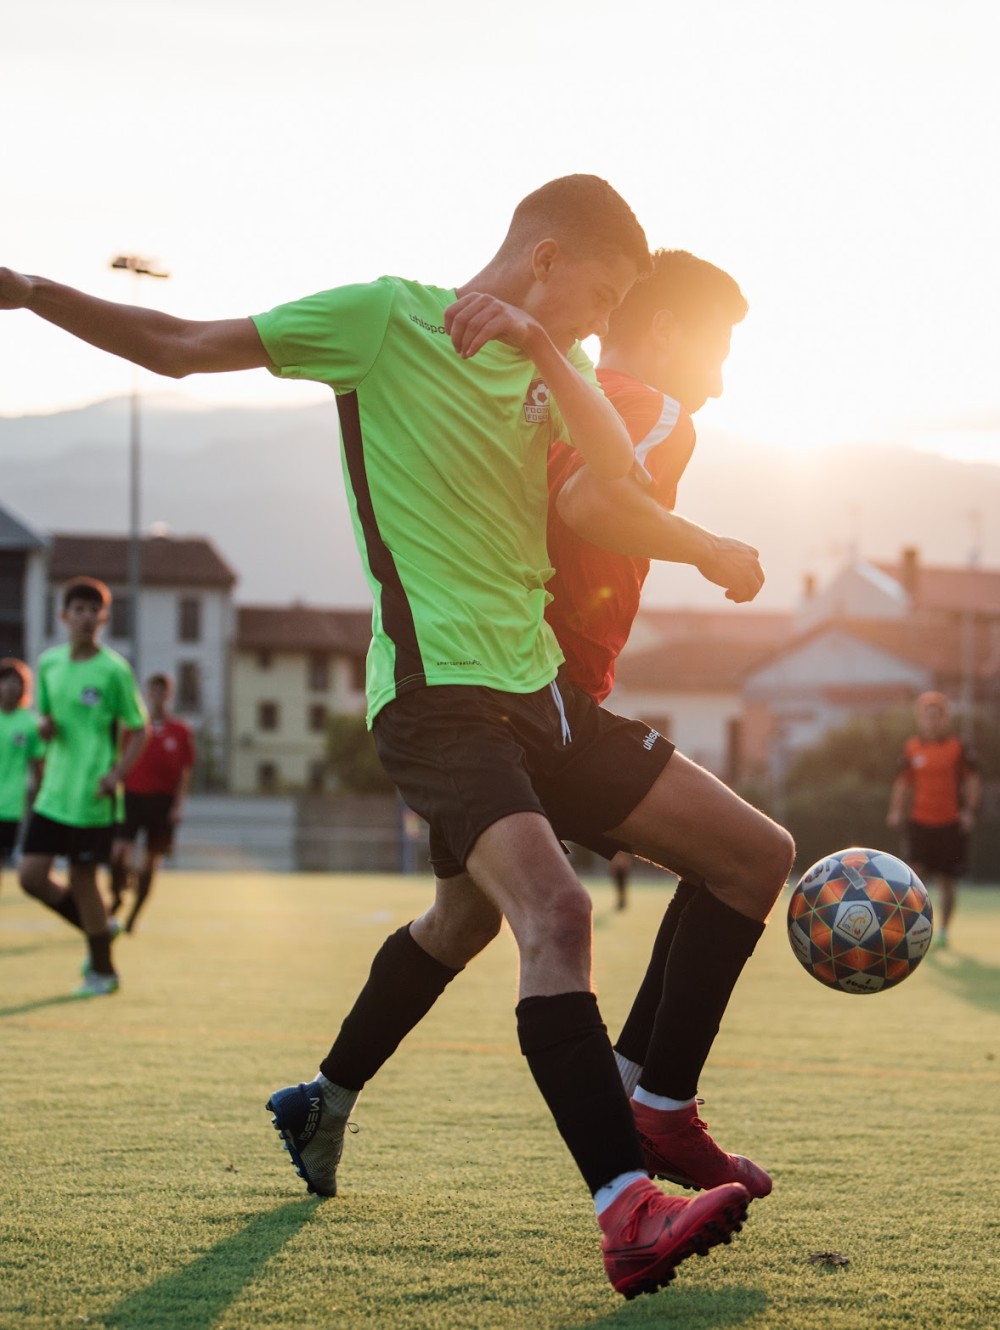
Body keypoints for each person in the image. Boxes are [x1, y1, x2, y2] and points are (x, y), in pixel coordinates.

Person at [0, 177, 758, 1299]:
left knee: (740, 853)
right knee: (553, 913)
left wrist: (552, 353)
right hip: (437, 697)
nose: (605, 320)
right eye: (600, 293)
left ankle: (356, 1099)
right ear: (547, 256)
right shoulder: (380, 320)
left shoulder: (564, 364)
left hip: (544, 693)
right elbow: (178, 342)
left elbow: (611, 474)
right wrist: (25, 290)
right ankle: (625, 1209)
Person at [265, 248, 790, 1215]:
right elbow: (589, 502)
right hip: (532, 699)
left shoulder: (543, 386)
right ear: (669, 332)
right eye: (718, 352)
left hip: (479, 690)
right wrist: (711, 547)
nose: (718, 383)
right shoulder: (654, 409)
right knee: (740, 861)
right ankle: (653, 1106)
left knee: (459, 921)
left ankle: (324, 1098)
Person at [18, 578, 148, 996]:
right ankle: (100, 927)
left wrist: (116, 776)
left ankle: (104, 972)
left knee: (82, 878)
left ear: (104, 618)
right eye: (79, 609)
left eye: (96, 610)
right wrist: (45, 727)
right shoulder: (50, 664)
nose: (88, 617)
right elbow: (48, 719)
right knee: (31, 876)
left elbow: (139, 728)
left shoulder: (114, 670)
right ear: (64, 617)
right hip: (54, 793)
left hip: (94, 797)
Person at [886, 691, 980, 949]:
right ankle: (914, 928)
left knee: (947, 881)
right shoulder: (912, 748)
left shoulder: (957, 748)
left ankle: (944, 931)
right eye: (927, 716)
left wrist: (969, 811)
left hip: (949, 823)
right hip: (920, 822)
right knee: (913, 879)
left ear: (944, 719)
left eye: (936, 717)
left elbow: (972, 780)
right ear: (921, 718)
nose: (932, 721)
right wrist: (895, 810)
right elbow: (903, 782)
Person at [108, 672, 195, 934]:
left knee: (151, 861)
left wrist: (179, 805)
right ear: (147, 693)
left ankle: (134, 915)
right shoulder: (133, 728)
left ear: (169, 695)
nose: (158, 696)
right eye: (153, 691)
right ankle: (117, 896)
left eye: (163, 691)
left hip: (162, 802)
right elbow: (118, 761)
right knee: (117, 853)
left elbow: (184, 771)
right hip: (132, 797)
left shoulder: (180, 730)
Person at [0, 658, 45, 892]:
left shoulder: (29, 724)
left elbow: (38, 767)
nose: (12, 687)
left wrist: (40, 801)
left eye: (18, 682)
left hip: (10, 806)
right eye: (6, 681)